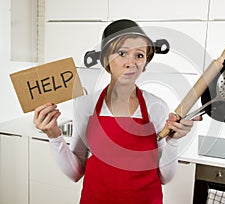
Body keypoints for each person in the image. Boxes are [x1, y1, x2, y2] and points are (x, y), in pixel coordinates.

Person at [33, 19, 201, 204]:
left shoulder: (156, 106)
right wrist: (54, 136)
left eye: (139, 55)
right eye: (122, 53)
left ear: (145, 61)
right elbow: (75, 172)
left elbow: (164, 177)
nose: (131, 63)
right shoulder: (86, 104)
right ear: (106, 59)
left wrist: (173, 142)